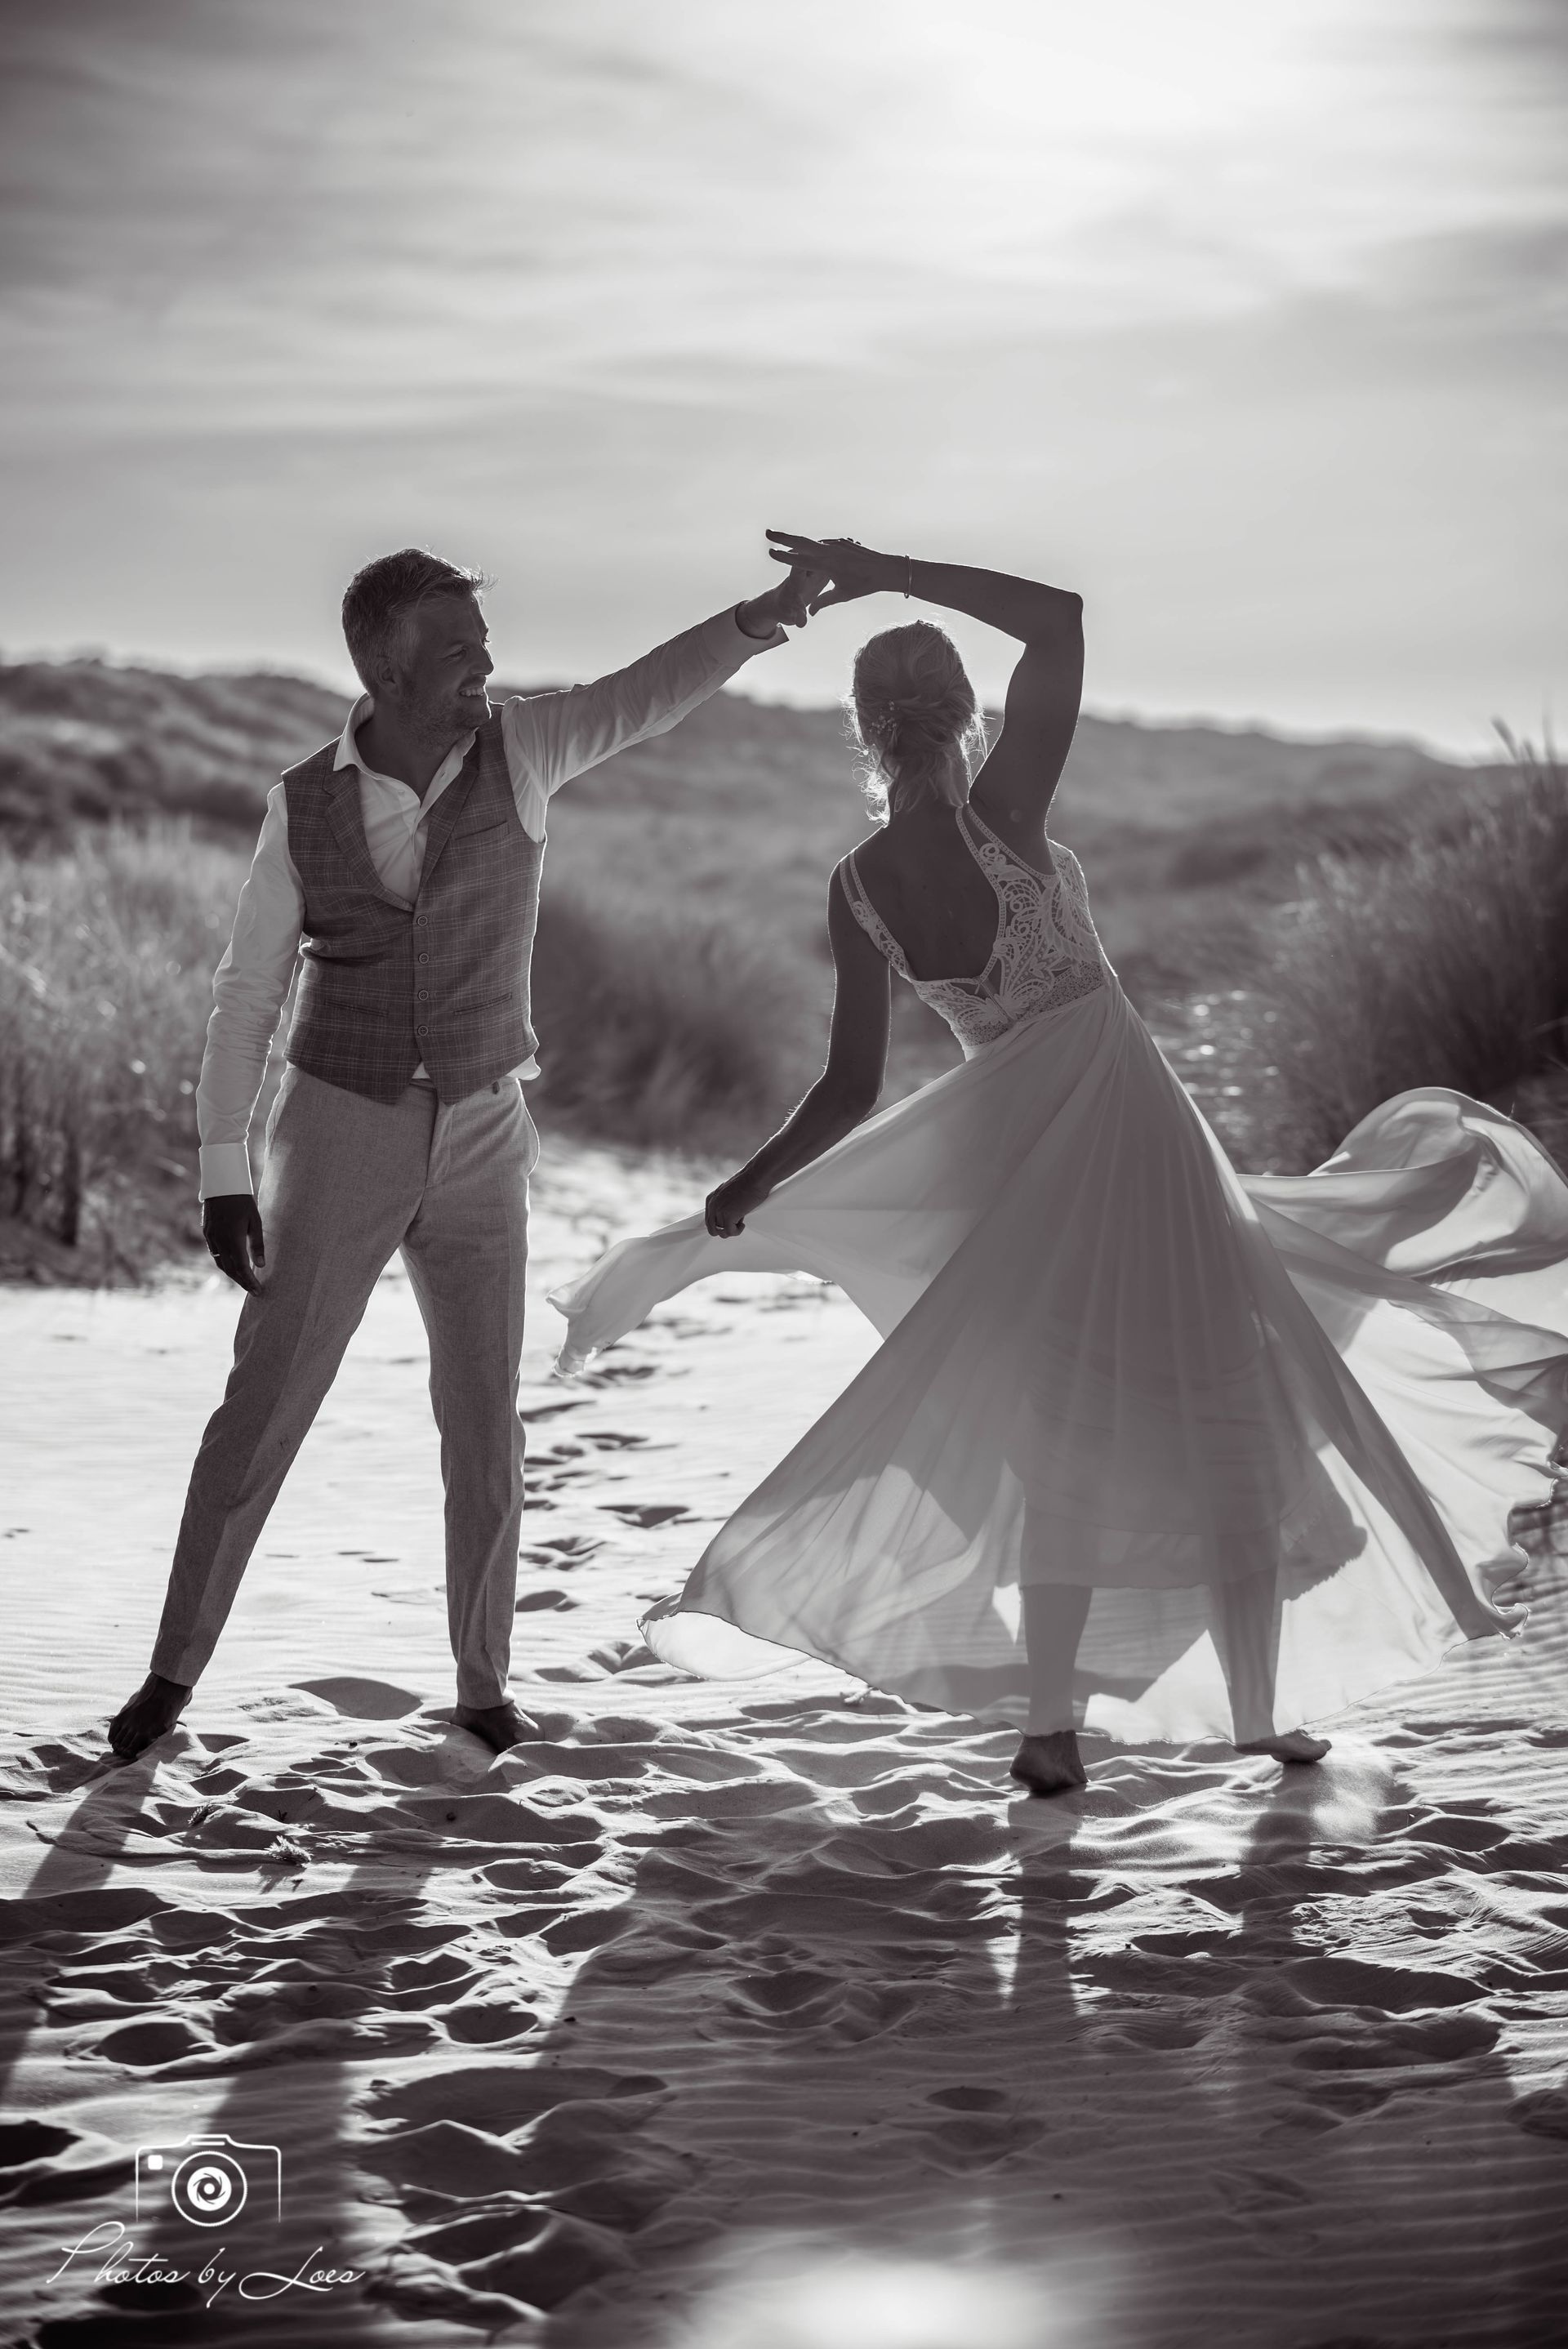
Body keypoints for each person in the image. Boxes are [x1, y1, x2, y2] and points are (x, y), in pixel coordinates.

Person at [552, 531, 1568, 1796]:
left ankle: (1050, 1726)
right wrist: (881, 567)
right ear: (966, 716)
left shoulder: (858, 885)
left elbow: (852, 1085)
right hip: (1128, 1135)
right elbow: (1063, 618)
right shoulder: (1009, 818)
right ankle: (1260, 1709)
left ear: (866, 733)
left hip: (1010, 1161)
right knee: (1222, 1392)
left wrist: (750, 1188)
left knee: (1061, 1427)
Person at [106, 544, 819, 1763]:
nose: (484, 665)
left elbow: (644, 693)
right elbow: (245, 996)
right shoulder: (304, 804)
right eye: (456, 648)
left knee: (485, 1414)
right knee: (267, 1402)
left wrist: (763, 619)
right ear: (386, 667)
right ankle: (173, 1673)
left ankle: (483, 1681)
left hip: (488, 1123)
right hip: (338, 1121)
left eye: (483, 645)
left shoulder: (524, 751)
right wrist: (225, 1168)